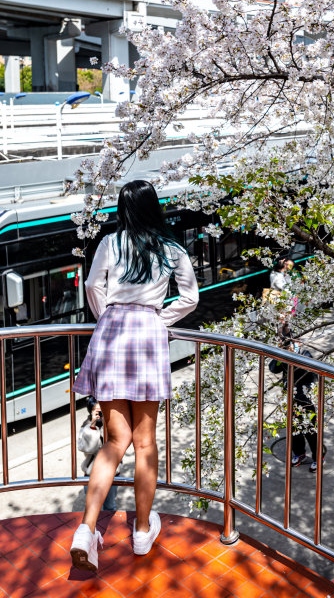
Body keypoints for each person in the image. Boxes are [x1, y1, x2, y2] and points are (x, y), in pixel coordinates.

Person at [69, 180, 199, 572]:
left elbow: (93, 285)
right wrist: (160, 318)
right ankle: (142, 531)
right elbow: (191, 297)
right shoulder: (172, 248)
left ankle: (86, 529)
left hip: (111, 333)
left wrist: (106, 315)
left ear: (123, 209)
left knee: (114, 440)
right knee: (144, 444)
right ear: (154, 207)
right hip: (146, 335)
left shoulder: (111, 241)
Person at [269, 338, 323, 473]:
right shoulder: (284, 357)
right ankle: (299, 453)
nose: (291, 346)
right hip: (291, 400)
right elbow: (273, 368)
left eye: (294, 343)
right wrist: (279, 354)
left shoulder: (305, 355)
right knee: (294, 430)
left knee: (310, 430)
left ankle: (318, 457)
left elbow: (305, 368)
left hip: (305, 400)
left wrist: (294, 354)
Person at [78, 396, 119, 511]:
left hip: (111, 471)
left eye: (103, 410)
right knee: (92, 506)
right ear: (90, 412)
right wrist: (93, 426)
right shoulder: (86, 426)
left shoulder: (114, 423)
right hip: (92, 472)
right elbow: (88, 448)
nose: (100, 414)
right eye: (96, 411)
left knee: (110, 506)